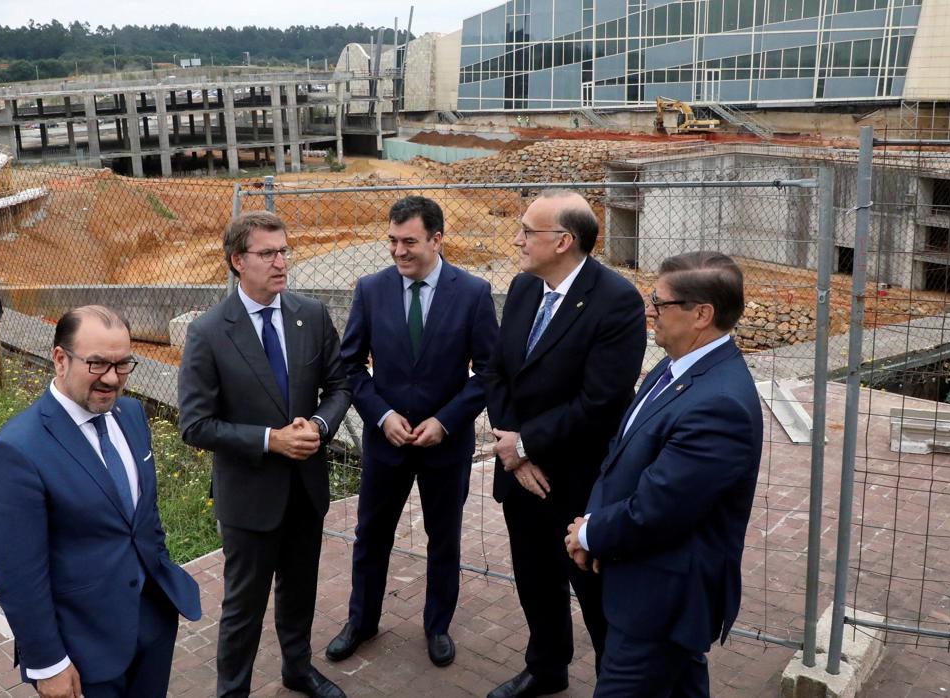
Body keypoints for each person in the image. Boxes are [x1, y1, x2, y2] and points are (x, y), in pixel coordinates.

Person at [565, 251, 763, 697]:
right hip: (644, 577)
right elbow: (622, 457)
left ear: (701, 315)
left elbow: (660, 507)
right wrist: (597, 528)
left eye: (660, 301)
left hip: (663, 599)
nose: (648, 310)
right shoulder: (674, 365)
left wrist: (591, 534)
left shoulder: (720, 404)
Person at [0, 305, 202, 698]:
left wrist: (161, 575)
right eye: (97, 364)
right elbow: (19, 576)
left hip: (152, 624)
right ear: (60, 359)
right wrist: (48, 663)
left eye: (123, 364)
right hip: (84, 651)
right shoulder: (16, 451)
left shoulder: (132, 415)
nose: (112, 379)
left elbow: (144, 517)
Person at [177, 211, 352, 698]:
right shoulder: (209, 332)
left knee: (299, 593)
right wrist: (269, 440)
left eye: (284, 251)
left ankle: (297, 669)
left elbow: (339, 386)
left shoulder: (310, 315)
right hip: (250, 498)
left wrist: (318, 425)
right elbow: (194, 424)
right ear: (238, 261)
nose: (281, 262)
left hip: (305, 488)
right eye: (268, 253)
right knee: (243, 607)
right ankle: (232, 690)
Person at [484, 191, 646, 698]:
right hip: (522, 477)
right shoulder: (523, 287)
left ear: (563, 240)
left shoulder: (616, 302)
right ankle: (547, 668)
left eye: (527, 230)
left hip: (578, 483)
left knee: (596, 595)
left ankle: (613, 685)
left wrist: (526, 445)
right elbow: (497, 373)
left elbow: (600, 401)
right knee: (534, 581)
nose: (517, 239)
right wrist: (514, 453)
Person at [325, 196, 498, 667]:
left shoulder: (474, 292)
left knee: (444, 539)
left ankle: (437, 626)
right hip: (387, 444)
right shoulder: (370, 289)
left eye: (409, 242)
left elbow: (487, 372)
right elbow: (351, 367)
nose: (399, 252)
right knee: (371, 536)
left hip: (447, 445)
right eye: (392, 242)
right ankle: (361, 621)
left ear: (437, 239)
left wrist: (446, 421)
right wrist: (382, 416)